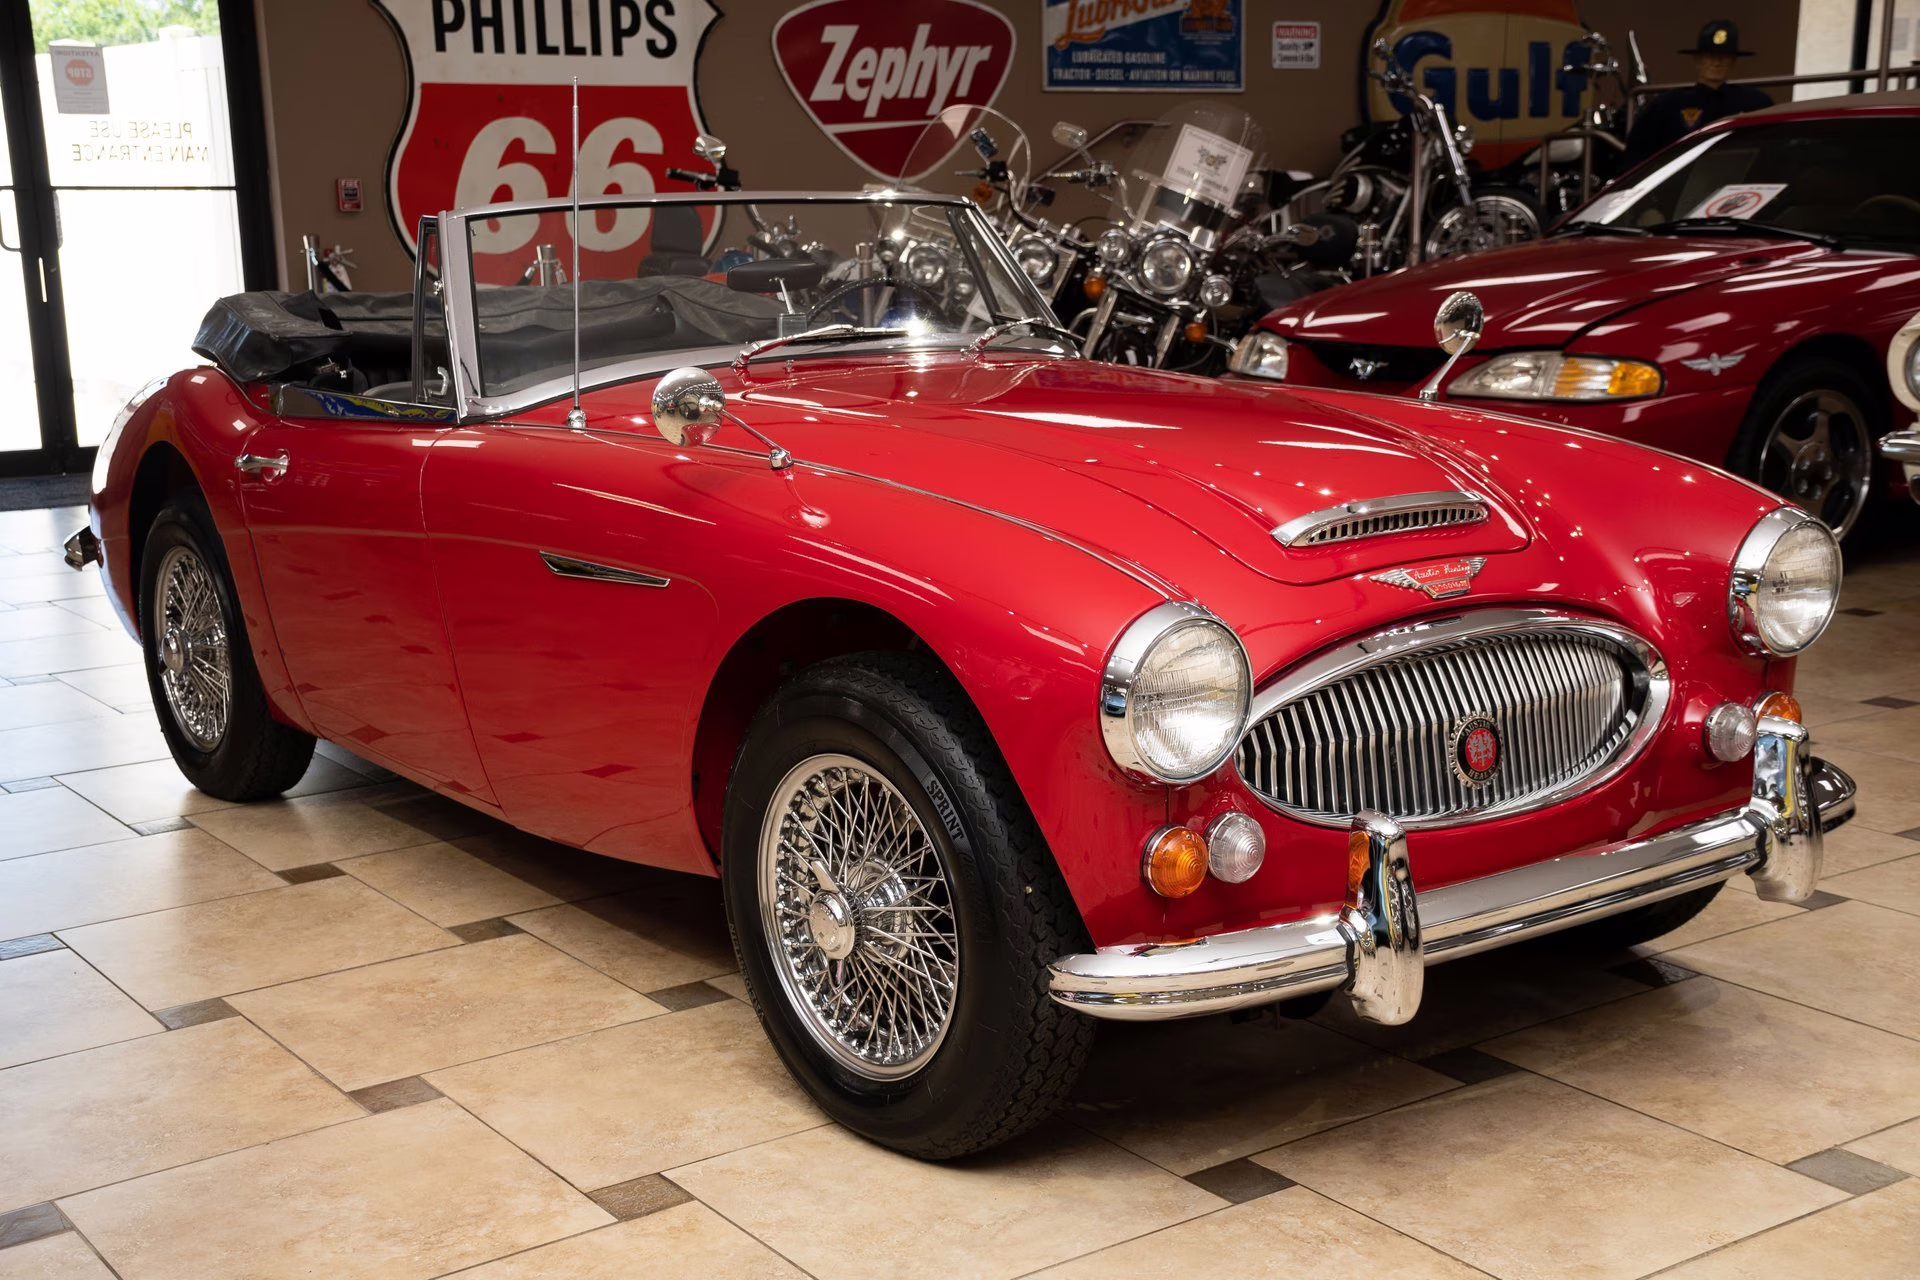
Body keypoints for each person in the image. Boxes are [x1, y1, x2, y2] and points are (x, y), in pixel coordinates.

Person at [1623, 20, 1772, 168]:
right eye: (1710, 56)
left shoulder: (1755, 104)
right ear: (1697, 60)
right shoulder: (1667, 106)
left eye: (1724, 57)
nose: (1717, 62)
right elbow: (1637, 155)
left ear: (1733, 62)